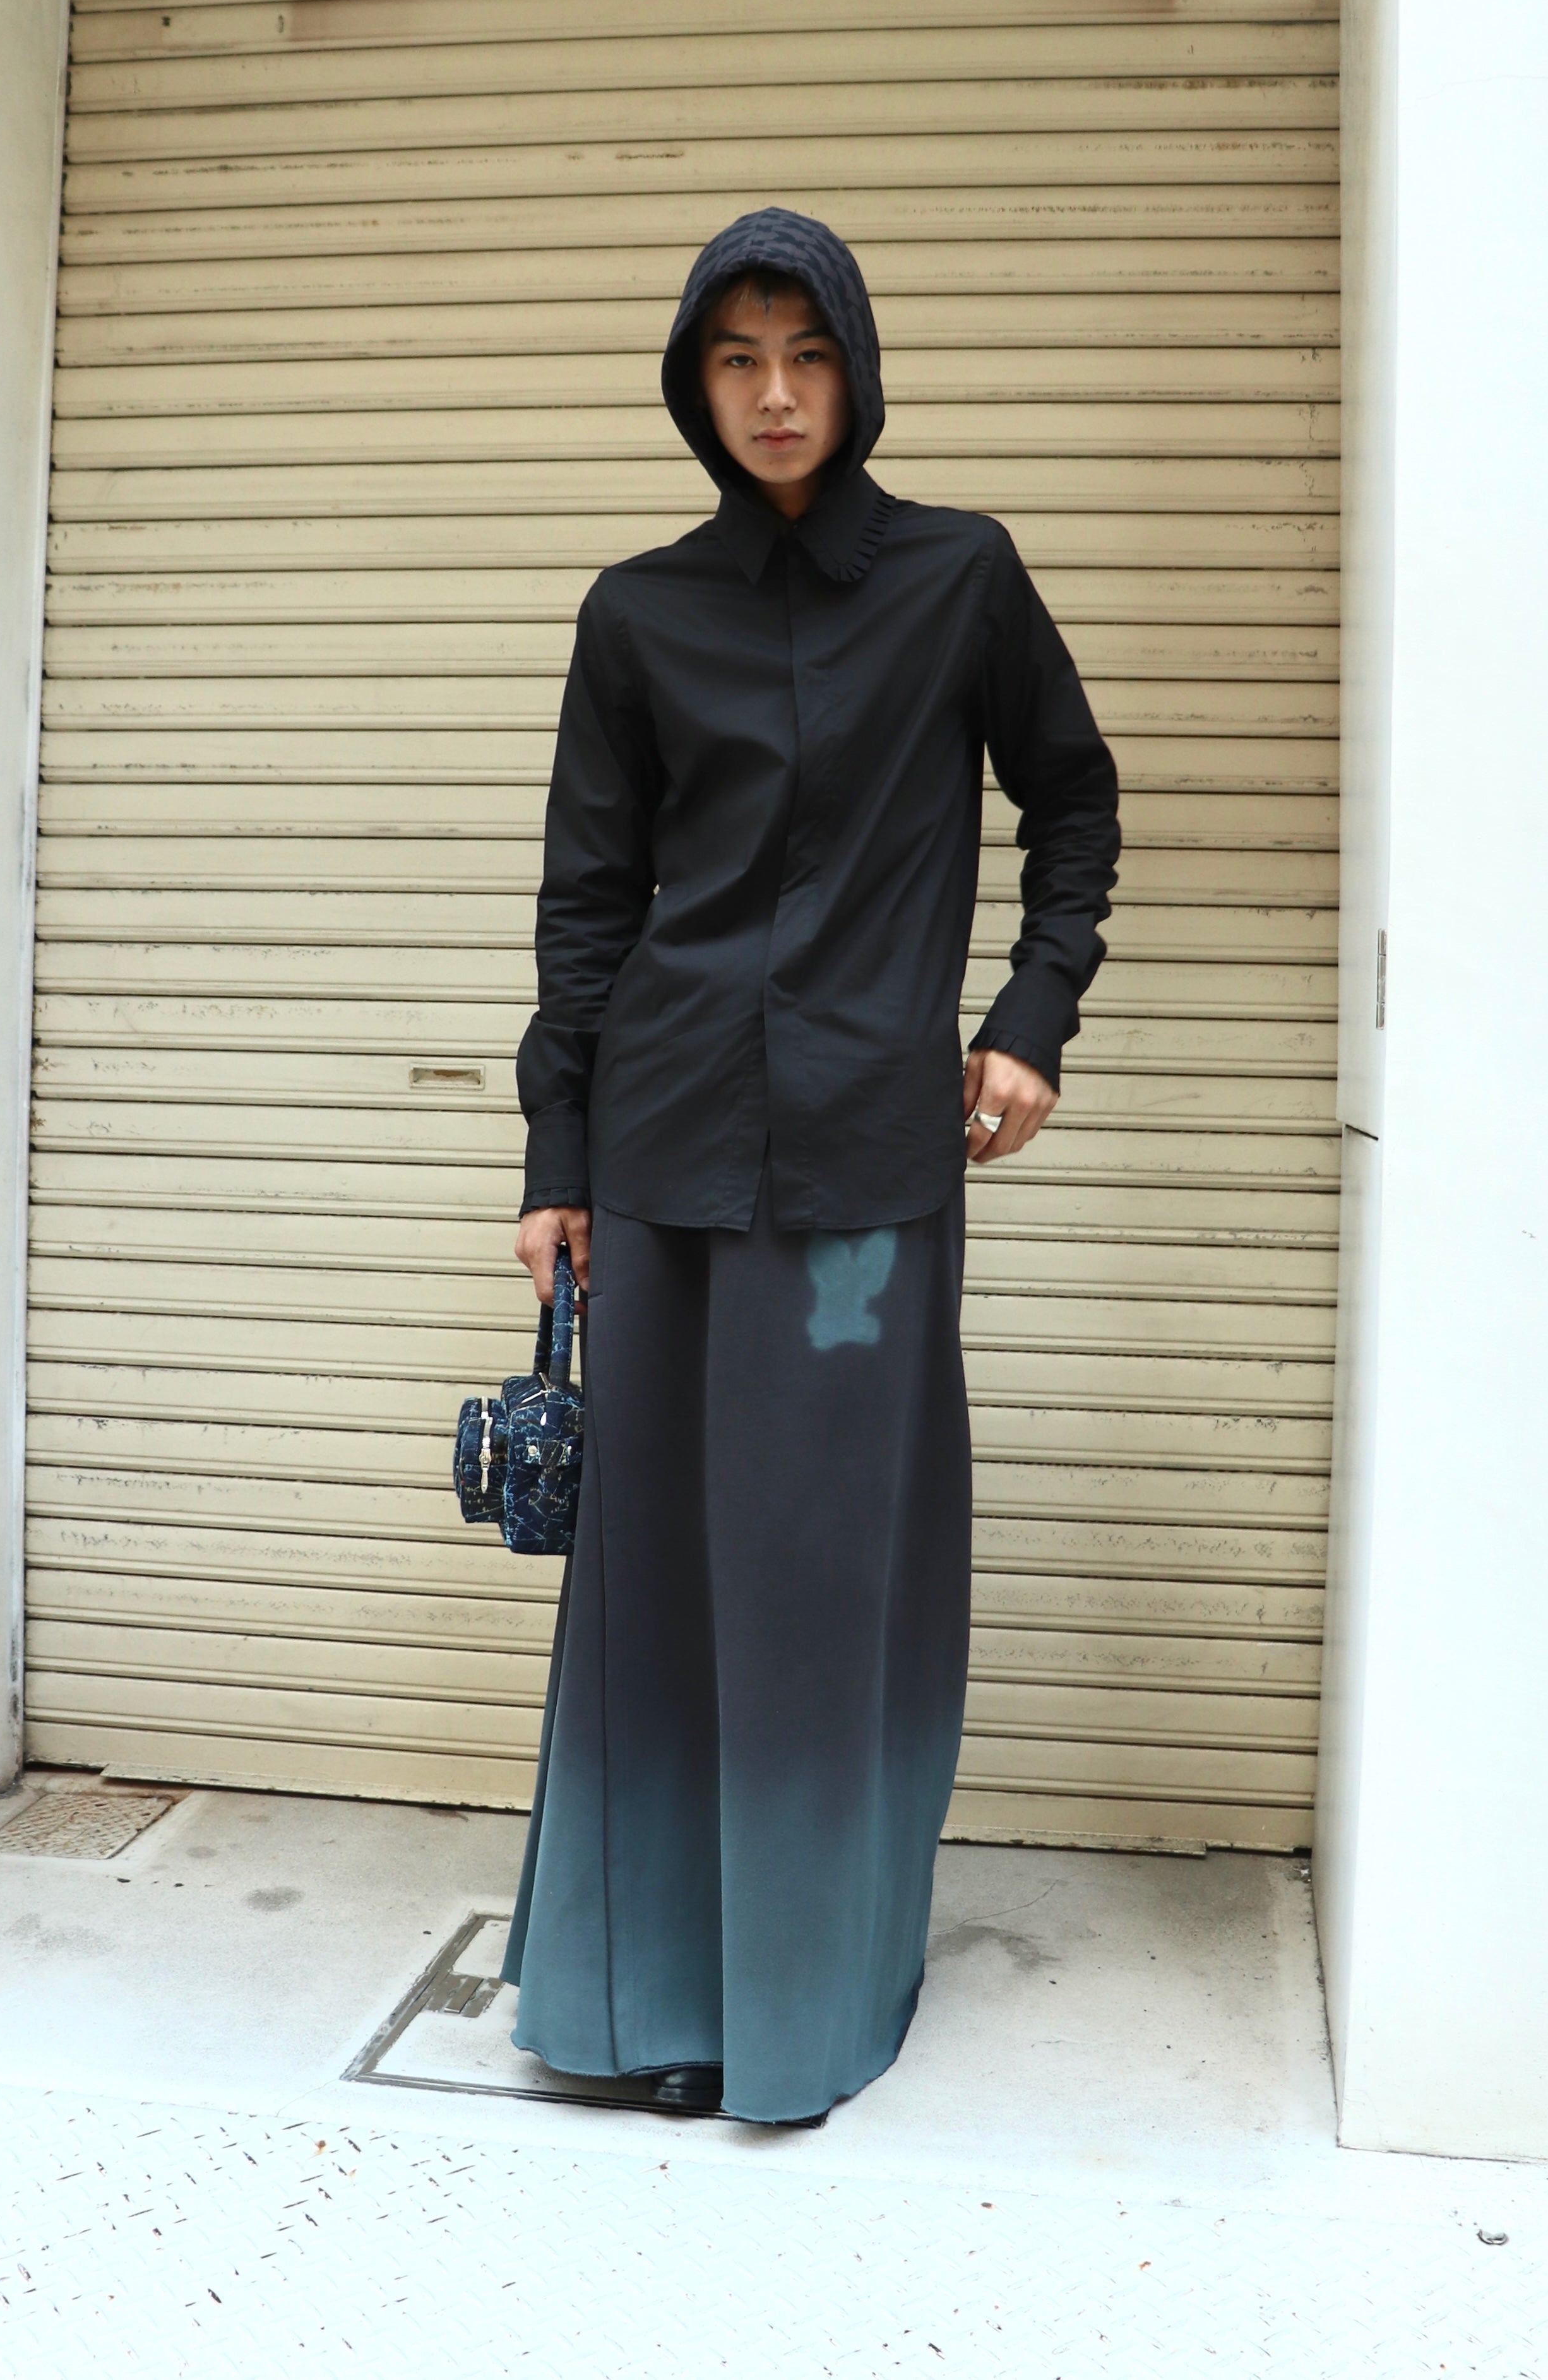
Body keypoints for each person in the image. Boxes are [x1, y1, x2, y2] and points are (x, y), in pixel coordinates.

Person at [499, 206, 1121, 2125]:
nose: (775, 395)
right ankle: (640, 2006)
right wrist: (556, 1151)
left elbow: (1075, 801)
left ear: (856, 369)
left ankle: (803, 2000)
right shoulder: (637, 613)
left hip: (865, 1182)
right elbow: (589, 904)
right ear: (695, 386)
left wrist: (1031, 1017)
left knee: (829, 1571)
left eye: (808, 354)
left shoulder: (960, 579)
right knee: (656, 1575)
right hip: (665, 1155)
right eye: (736, 360)